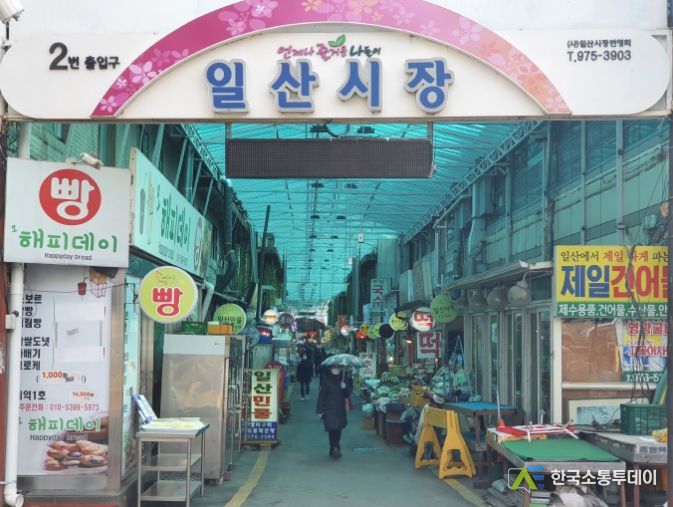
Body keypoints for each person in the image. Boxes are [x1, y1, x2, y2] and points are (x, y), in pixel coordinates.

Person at [316, 366, 353, 459]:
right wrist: (319, 410)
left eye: (337, 368)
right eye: (334, 368)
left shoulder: (343, 378)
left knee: (338, 428)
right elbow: (322, 395)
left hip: (340, 408)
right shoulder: (326, 380)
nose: (336, 370)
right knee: (332, 428)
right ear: (330, 369)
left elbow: (348, 392)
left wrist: (345, 387)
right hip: (329, 408)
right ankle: (335, 447)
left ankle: (334, 447)